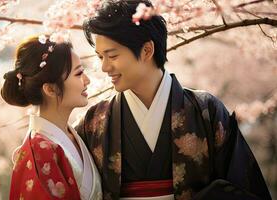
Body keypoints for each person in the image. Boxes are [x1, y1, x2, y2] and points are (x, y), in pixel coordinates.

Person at [76, 0, 272, 199]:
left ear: (147, 51)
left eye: (112, 55)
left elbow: (242, 187)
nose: (104, 67)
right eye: (100, 57)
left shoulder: (206, 110)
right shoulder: (94, 121)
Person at [1, 36, 102, 200]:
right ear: (50, 89)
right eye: (79, 73)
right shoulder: (39, 150)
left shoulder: (76, 134)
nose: (87, 80)